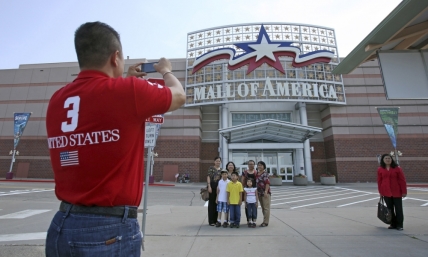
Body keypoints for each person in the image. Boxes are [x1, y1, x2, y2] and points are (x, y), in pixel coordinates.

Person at [45, 21, 185, 257]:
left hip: (62, 225)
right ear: (115, 56)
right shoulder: (128, 92)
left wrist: (124, 80)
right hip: (109, 231)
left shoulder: (57, 100)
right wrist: (166, 70)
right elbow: (179, 96)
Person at [377, 153, 407, 231]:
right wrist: (380, 192)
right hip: (386, 192)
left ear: (391, 159)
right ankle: (393, 224)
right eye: (386, 158)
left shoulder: (397, 168)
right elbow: (379, 181)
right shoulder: (380, 169)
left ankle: (399, 225)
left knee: (398, 209)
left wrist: (404, 191)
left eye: (389, 158)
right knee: (390, 209)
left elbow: (402, 180)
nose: (388, 160)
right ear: (383, 160)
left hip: (397, 192)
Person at [256, 161, 271, 227]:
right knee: (263, 207)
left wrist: (266, 192)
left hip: (265, 193)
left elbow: (267, 183)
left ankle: (266, 222)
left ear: (264, 166)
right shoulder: (257, 173)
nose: (259, 166)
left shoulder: (265, 173)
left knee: (266, 208)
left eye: (261, 165)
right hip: (259, 193)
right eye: (258, 165)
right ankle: (264, 221)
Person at [241, 160, 257, 224]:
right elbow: (242, 180)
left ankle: (254, 220)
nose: (251, 165)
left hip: (254, 189)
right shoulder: (245, 172)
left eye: (252, 164)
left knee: (254, 207)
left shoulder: (256, 172)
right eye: (250, 164)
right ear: (248, 165)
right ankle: (248, 220)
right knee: (247, 205)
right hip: (246, 189)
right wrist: (243, 188)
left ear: (254, 165)